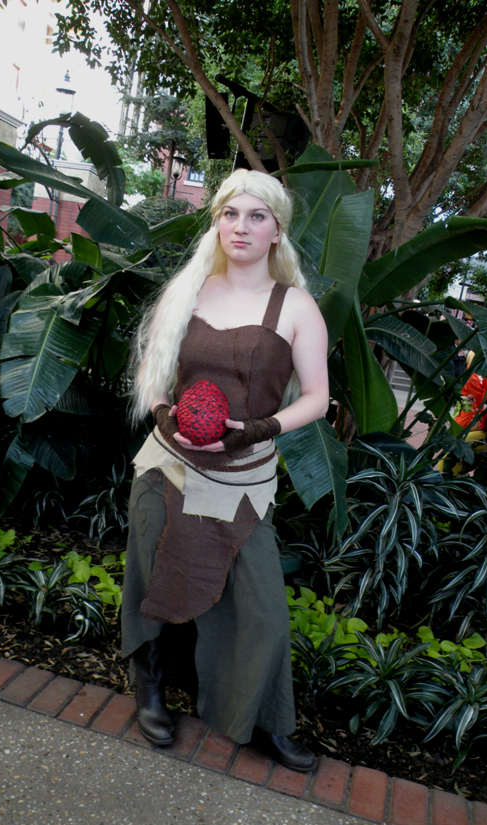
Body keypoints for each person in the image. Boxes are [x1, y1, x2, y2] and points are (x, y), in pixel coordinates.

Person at [122, 168, 329, 772]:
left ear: (276, 231)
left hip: (243, 477)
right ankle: (150, 690)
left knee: (261, 608)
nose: (241, 227)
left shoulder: (295, 306)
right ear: (216, 223)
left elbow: (317, 397)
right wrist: (163, 416)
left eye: (256, 216)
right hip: (168, 466)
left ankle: (265, 719)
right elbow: (153, 372)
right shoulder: (189, 290)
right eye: (230, 214)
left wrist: (259, 429)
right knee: (153, 580)